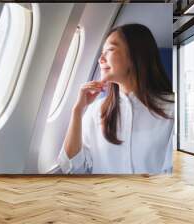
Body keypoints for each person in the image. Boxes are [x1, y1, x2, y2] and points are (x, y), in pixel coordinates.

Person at [57, 24, 175, 174]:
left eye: (110, 50)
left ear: (135, 54)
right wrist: (77, 110)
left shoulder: (171, 109)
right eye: (101, 52)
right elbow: (72, 168)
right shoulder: (95, 112)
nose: (100, 59)